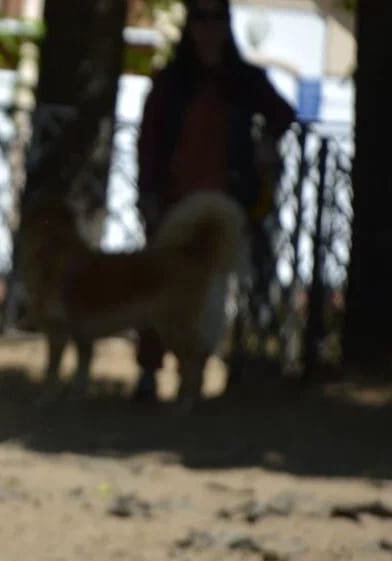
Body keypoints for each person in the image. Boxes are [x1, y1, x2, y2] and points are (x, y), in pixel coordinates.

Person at [133, 0, 295, 401]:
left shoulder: (243, 80)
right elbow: (149, 144)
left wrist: (266, 143)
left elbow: (282, 114)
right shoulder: (171, 83)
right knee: (156, 288)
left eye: (217, 17)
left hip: (224, 204)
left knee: (210, 294)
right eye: (201, 17)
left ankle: (197, 376)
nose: (209, 26)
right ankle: (149, 373)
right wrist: (148, 195)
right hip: (174, 201)